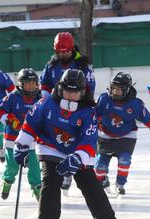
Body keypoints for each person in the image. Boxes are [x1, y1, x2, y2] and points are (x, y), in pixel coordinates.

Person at [14, 69, 125, 219]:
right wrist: (21, 144)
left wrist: (77, 157)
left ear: (83, 92)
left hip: (78, 152)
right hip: (50, 147)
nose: (71, 96)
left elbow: (89, 140)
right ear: (60, 88)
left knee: (92, 188)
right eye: (68, 91)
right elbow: (30, 124)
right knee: (50, 183)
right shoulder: (45, 103)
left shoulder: (89, 111)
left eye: (76, 92)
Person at [40, 32, 96, 193]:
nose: (63, 54)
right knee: (57, 138)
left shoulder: (82, 64)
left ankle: (82, 167)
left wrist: (84, 106)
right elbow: (44, 84)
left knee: (77, 138)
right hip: (56, 108)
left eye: (66, 51)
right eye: (60, 52)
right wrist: (44, 102)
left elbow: (90, 86)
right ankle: (61, 170)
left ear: (72, 49)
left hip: (79, 108)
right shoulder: (51, 66)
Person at [96, 72, 150, 195]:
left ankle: (120, 184)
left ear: (127, 90)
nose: (115, 91)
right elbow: (93, 116)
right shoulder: (103, 99)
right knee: (99, 167)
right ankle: (103, 179)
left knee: (124, 159)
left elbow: (147, 118)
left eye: (119, 89)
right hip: (105, 135)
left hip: (127, 135)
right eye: (113, 88)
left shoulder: (135, 104)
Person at [0, 68, 42, 200]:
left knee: (35, 168)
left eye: (33, 83)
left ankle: (37, 188)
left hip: (33, 141)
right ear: (21, 84)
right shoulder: (12, 97)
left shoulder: (41, 99)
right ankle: (7, 181)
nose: (31, 86)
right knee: (12, 166)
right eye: (28, 83)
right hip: (12, 140)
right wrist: (9, 119)